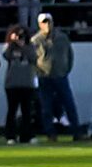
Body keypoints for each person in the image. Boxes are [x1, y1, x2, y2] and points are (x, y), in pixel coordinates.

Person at [32, 11, 79, 139]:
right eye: (44, 22)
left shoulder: (62, 38)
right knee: (46, 107)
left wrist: (65, 70)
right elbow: (32, 59)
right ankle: (50, 133)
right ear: (39, 25)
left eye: (48, 22)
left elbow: (70, 56)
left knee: (69, 105)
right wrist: (38, 73)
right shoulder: (35, 40)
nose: (47, 25)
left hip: (60, 76)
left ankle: (76, 132)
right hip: (44, 78)